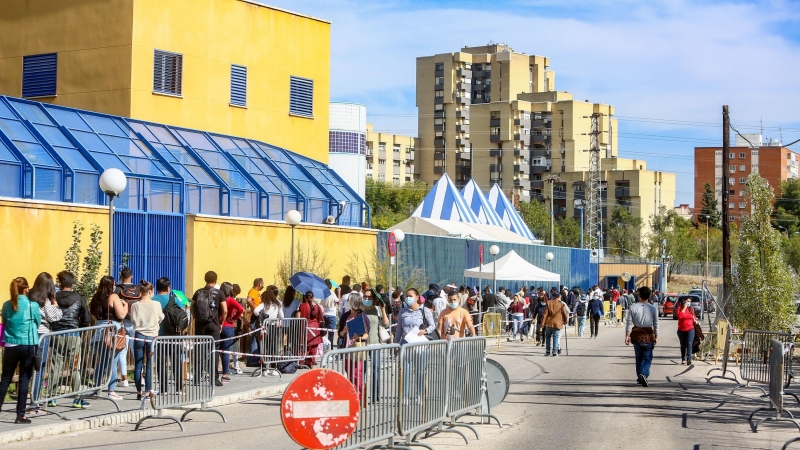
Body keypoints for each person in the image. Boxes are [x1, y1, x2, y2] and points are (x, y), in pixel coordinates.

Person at [0, 277, 40, 424]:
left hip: (11, 344)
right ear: (26, 289)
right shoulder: (32, 305)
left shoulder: (6, 305)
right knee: (24, 380)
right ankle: (20, 415)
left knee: (5, 379)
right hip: (28, 344)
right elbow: (37, 321)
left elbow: (4, 321)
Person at [50, 270, 92, 409]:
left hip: (56, 335)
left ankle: (52, 397)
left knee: (55, 367)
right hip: (73, 335)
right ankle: (77, 399)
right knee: (75, 367)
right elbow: (86, 318)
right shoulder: (78, 298)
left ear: (60, 283)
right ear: (72, 284)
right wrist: (80, 328)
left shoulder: (54, 297)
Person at [89, 275, 128, 399]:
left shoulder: (95, 297)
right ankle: (111, 391)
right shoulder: (113, 296)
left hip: (99, 331)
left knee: (101, 362)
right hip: (112, 331)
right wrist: (125, 305)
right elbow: (121, 315)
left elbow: (93, 315)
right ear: (111, 285)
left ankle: (96, 388)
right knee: (113, 361)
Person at [28, 272, 63, 406]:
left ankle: (30, 399)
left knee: (28, 368)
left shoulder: (29, 298)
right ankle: (35, 401)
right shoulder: (45, 301)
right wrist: (55, 303)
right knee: (40, 369)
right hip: (42, 335)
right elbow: (56, 316)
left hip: (29, 335)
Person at [190, 271, 226, 387]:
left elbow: (192, 306)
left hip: (200, 325)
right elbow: (224, 310)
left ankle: (196, 378)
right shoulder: (219, 293)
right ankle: (214, 378)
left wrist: (195, 317)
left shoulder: (198, 292)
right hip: (214, 324)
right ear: (215, 280)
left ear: (205, 279)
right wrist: (221, 323)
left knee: (199, 351)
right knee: (213, 351)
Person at [130, 280, 163, 400]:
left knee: (138, 365)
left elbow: (133, 319)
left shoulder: (135, 305)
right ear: (150, 291)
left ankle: (139, 391)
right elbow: (161, 317)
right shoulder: (156, 304)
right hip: (152, 336)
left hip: (138, 335)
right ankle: (148, 391)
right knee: (149, 364)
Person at [625, 286, 659, 387]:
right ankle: (644, 373)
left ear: (639, 295)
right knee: (648, 358)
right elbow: (656, 323)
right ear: (649, 295)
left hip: (636, 335)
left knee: (639, 357)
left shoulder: (633, 307)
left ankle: (640, 376)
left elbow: (629, 323)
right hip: (648, 335)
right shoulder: (653, 308)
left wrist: (627, 335)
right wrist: (656, 335)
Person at [339, 295, 369, 400]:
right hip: (347, 349)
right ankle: (352, 394)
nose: (346, 302)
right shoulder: (344, 316)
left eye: (348, 301)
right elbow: (340, 334)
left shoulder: (363, 316)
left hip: (358, 349)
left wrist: (359, 337)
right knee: (350, 373)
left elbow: (367, 334)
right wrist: (344, 331)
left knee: (358, 373)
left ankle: (359, 397)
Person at [115, 267, 139, 388]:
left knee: (122, 351)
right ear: (132, 276)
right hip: (136, 323)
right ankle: (140, 378)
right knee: (136, 351)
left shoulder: (117, 290)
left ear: (120, 277)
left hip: (122, 322)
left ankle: (124, 379)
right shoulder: (138, 289)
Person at [220, 282, 244, 382]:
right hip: (228, 327)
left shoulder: (218, 299)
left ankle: (212, 373)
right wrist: (233, 318)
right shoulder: (230, 300)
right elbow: (241, 309)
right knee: (226, 352)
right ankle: (224, 375)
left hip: (218, 325)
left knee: (216, 351)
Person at [298, 291, 324, 367]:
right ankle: (311, 362)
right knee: (314, 347)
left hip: (306, 327)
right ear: (313, 297)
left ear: (305, 297)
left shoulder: (302, 306)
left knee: (305, 346)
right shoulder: (317, 306)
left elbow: (299, 316)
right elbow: (320, 318)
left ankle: (302, 361)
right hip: (315, 328)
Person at [541, 291, 568, 357]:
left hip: (548, 323)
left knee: (548, 337)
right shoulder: (561, 304)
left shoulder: (548, 302)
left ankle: (547, 351)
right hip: (557, 323)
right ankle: (554, 352)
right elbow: (565, 314)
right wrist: (565, 321)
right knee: (556, 337)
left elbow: (545, 314)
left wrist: (542, 323)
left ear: (553, 296)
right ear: (559, 297)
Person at [675, 296, 699, 365]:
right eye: (687, 301)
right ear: (683, 302)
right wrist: (684, 308)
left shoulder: (691, 309)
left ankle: (689, 359)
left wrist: (696, 320)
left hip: (690, 329)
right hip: (681, 330)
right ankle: (683, 358)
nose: (689, 303)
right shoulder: (679, 308)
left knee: (689, 344)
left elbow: (693, 317)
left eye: (689, 302)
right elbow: (680, 316)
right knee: (683, 345)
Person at [322, 279, 339, 347]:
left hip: (323, 314)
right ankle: (330, 348)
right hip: (331, 314)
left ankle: (322, 346)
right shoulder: (332, 293)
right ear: (329, 285)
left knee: (322, 332)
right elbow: (338, 301)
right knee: (331, 333)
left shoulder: (321, 292)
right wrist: (339, 292)